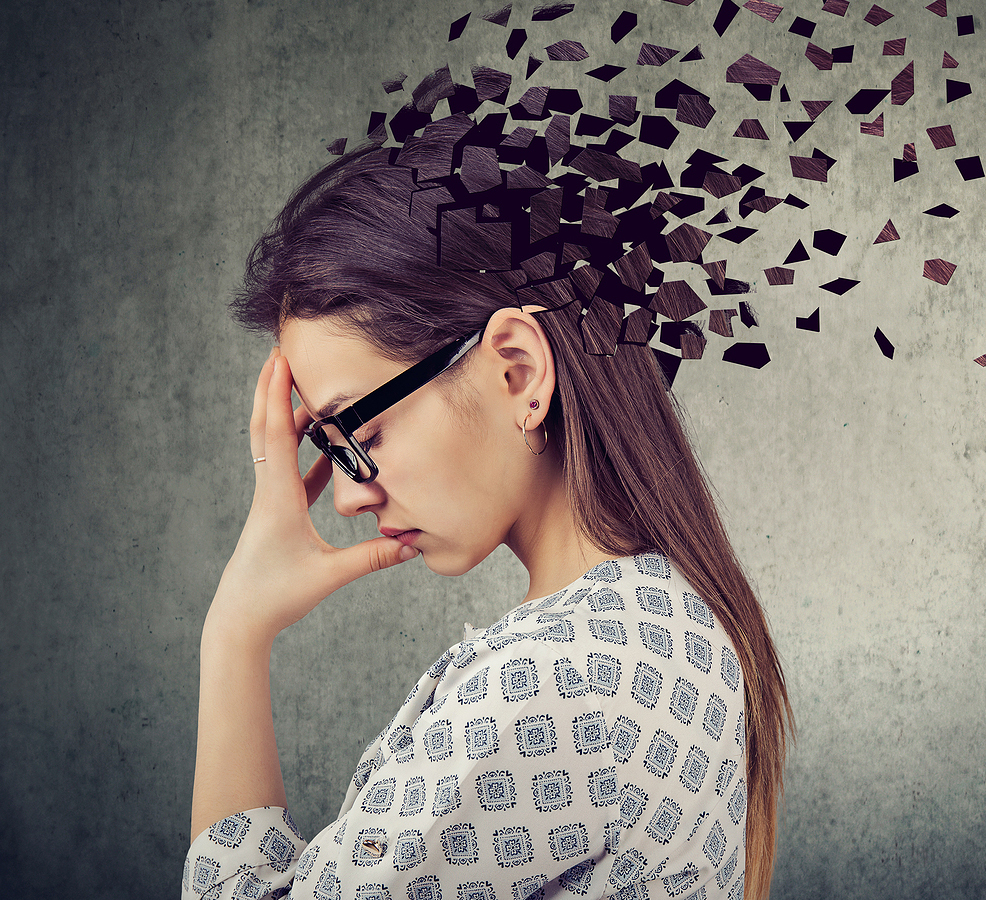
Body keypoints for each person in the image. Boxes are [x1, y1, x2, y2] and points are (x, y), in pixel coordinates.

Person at [185, 135, 792, 900]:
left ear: (519, 370)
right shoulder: (676, 620)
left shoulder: (553, 683)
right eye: (329, 448)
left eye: (362, 434)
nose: (347, 497)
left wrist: (234, 632)